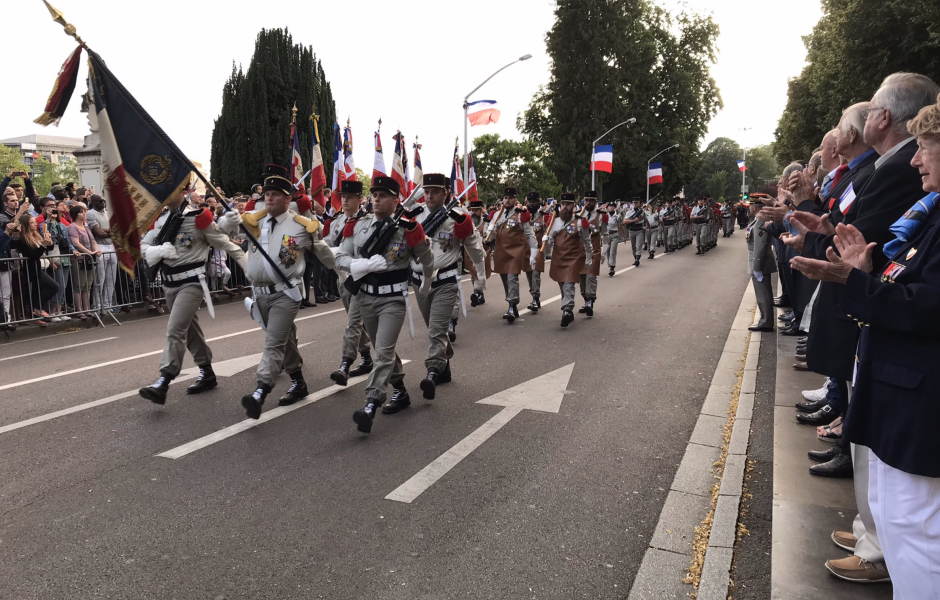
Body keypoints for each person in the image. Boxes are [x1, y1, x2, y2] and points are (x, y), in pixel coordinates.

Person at [786, 72, 940, 585]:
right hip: (895, 369)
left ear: (881, 118)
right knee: (896, 512)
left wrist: (856, 277)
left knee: (913, 530)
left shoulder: (894, 173)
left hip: (916, 388)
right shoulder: (912, 189)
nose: (918, 159)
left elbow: (923, 300)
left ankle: (878, 551)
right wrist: (853, 263)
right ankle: (875, 541)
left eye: (928, 148)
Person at [219, 165, 335, 419]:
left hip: (286, 292)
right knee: (284, 340)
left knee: (273, 342)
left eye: (275, 194)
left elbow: (325, 253)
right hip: (259, 293)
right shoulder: (253, 220)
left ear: (288, 198)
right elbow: (223, 230)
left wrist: (348, 274)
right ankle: (298, 382)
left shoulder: (302, 225)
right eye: (266, 193)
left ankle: (260, 391)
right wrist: (227, 219)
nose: (268, 197)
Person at [334, 175, 434, 433]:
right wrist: (359, 264)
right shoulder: (358, 226)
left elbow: (426, 256)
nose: (376, 199)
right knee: (381, 350)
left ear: (395, 200)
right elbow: (340, 256)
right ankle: (400, 390)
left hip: (392, 299)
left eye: (383, 196)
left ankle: (371, 403)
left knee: (385, 350)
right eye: (374, 195)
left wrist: (426, 282)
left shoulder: (409, 228)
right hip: (365, 297)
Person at [137, 189, 247, 405]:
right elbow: (143, 245)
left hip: (192, 282)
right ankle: (207, 371)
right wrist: (157, 252)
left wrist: (246, 262)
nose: (165, 194)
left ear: (184, 192)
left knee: (175, 329)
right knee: (189, 329)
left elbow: (221, 241)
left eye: (173, 188)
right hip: (169, 284)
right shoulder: (160, 220)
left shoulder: (198, 218)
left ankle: (164, 380)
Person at [386, 173, 485, 407]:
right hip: (419, 281)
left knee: (437, 330)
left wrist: (480, 276)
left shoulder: (458, 217)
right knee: (434, 328)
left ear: (445, 194)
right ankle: (445, 366)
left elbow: (474, 247)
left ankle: (431, 373)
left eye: (435, 192)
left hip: (446, 281)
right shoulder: (414, 215)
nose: (429, 196)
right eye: (426, 191)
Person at [325, 179, 374, 387]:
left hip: (362, 280)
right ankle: (367, 358)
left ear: (360, 199)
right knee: (356, 323)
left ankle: (345, 364)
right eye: (342, 196)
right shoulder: (337, 222)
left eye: (350, 197)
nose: (344, 200)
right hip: (343, 279)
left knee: (353, 324)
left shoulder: (368, 221)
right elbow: (327, 245)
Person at [485, 187, 536, 323]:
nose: (507, 200)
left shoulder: (520, 214)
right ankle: (511, 302)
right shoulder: (497, 215)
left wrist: (534, 252)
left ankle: (512, 305)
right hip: (500, 251)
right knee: (505, 279)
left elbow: (529, 234)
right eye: (505, 198)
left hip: (515, 251)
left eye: (510, 198)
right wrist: (489, 231)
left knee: (512, 277)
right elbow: (490, 236)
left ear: (515, 199)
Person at [543, 193, 593, 327]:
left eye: (568, 204)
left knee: (568, 283)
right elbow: (549, 243)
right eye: (563, 204)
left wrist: (589, 257)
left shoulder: (580, 222)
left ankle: (567, 310)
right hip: (558, 258)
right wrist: (546, 241)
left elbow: (587, 242)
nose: (565, 207)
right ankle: (566, 307)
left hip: (573, 258)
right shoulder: (554, 221)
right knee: (562, 283)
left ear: (573, 205)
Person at [14, 213, 60, 326]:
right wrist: (43, 246)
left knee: (42, 290)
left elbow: (48, 248)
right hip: (30, 268)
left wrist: (49, 242)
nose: (35, 224)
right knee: (48, 287)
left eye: (35, 221)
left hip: (39, 267)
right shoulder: (22, 238)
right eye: (32, 222)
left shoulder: (36, 234)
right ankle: (35, 310)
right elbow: (33, 254)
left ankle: (36, 309)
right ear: (26, 224)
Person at [38, 197, 76, 321]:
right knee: (57, 284)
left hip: (64, 256)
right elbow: (48, 237)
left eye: (54, 206)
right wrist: (49, 220)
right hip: (53, 256)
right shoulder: (43, 224)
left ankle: (59, 311)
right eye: (49, 206)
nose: (52, 208)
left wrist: (73, 250)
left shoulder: (61, 225)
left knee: (64, 285)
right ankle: (52, 311)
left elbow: (66, 240)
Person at [85, 194, 121, 313]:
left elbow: (116, 230)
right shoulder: (90, 214)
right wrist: (110, 232)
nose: (103, 203)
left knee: (111, 278)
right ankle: (97, 304)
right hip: (100, 246)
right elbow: (98, 232)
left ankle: (107, 303)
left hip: (111, 247)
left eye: (104, 201)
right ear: (93, 202)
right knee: (101, 277)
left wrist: (108, 232)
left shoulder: (107, 212)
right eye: (100, 201)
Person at [745, 200, 776, 332]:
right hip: (757, 261)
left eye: (751, 205)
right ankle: (765, 320)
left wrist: (757, 266)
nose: (750, 208)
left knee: (763, 293)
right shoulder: (756, 221)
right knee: (761, 293)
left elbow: (760, 246)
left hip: (760, 262)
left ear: (755, 207)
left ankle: (766, 322)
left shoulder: (761, 222)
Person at [67, 203, 99, 320]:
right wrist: (88, 252)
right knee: (78, 286)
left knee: (87, 286)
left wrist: (95, 250)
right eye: (82, 212)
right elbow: (76, 243)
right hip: (79, 260)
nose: (84, 213)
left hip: (89, 260)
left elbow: (93, 240)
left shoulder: (86, 227)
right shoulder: (73, 227)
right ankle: (79, 310)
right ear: (76, 214)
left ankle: (87, 309)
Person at [577, 191, 605, 315]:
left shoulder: (601, 216)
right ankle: (585, 299)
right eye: (586, 200)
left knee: (591, 276)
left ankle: (590, 300)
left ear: (596, 201)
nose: (588, 203)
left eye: (591, 200)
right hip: (580, 251)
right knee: (582, 279)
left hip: (594, 251)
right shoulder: (578, 215)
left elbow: (606, 234)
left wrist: (605, 251)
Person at [525, 191, 547, 311]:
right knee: (529, 273)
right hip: (527, 250)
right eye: (530, 201)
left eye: (534, 201)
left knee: (535, 274)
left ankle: (535, 298)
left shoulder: (544, 216)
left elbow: (549, 231)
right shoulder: (524, 215)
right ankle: (534, 295)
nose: (531, 204)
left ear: (539, 202)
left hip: (538, 249)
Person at [467, 196, 490, 307]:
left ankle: (477, 293)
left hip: (482, 251)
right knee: (473, 274)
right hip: (469, 253)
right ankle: (479, 293)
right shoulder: (468, 222)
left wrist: (486, 237)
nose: (473, 212)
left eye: (476, 210)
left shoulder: (486, 222)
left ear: (481, 210)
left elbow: (489, 237)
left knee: (480, 273)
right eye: (472, 210)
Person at [623, 197, 646, 268]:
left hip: (639, 230)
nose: (635, 204)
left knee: (638, 245)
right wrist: (633, 220)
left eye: (637, 203)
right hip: (632, 230)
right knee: (633, 247)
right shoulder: (629, 212)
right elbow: (625, 221)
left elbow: (645, 219)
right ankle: (636, 258)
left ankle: (637, 259)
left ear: (639, 204)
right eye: (634, 203)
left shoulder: (642, 212)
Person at [601, 200, 621, 276]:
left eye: (612, 206)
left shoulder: (617, 216)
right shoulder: (605, 216)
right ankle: (610, 265)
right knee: (608, 251)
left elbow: (620, 226)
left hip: (615, 234)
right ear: (607, 208)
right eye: (609, 206)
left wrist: (624, 236)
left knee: (613, 251)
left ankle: (612, 267)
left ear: (615, 208)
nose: (611, 207)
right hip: (607, 235)